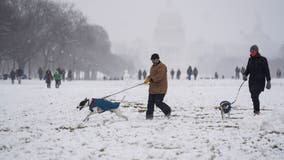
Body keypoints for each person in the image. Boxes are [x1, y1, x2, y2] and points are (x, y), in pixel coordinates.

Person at [243, 45, 271, 115]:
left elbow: (267, 71)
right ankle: (256, 110)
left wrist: (268, 81)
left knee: (255, 95)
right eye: (251, 51)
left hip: (260, 81)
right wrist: (245, 75)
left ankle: (257, 111)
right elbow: (248, 69)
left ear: (256, 51)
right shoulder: (250, 59)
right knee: (253, 96)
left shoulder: (263, 59)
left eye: (253, 51)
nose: (251, 52)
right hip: (252, 81)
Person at [144, 53, 171, 120]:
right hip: (152, 89)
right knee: (150, 103)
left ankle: (168, 110)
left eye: (154, 60)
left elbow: (159, 76)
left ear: (158, 59)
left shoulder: (162, 66)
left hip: (161, 89)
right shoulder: (152, 67)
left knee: (158, 102)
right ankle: (149, 117)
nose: (153, 61)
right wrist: (147, 78)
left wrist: (152, 79)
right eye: (152, 60)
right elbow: (152, 75)